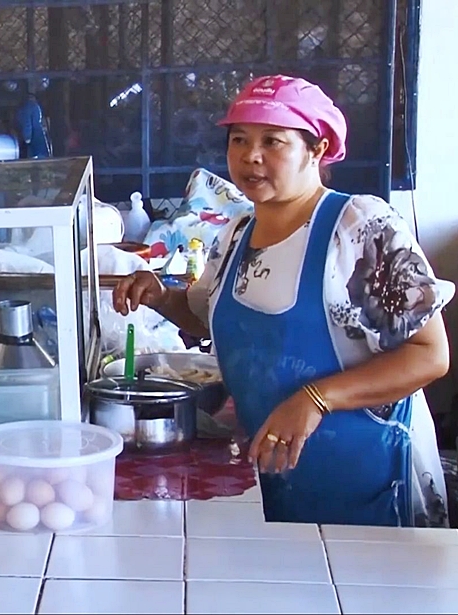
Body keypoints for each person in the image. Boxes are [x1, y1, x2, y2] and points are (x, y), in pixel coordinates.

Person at [113, 74, 453, 528]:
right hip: (279, 473)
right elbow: (206, 318)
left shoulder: (360, 226)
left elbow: (430, 355)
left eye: (272, 141)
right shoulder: (237, 234)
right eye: (239, 139)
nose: (250, 156)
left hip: (372, 475)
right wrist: (159, 296)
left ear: (317, 149)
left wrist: (316, 398)